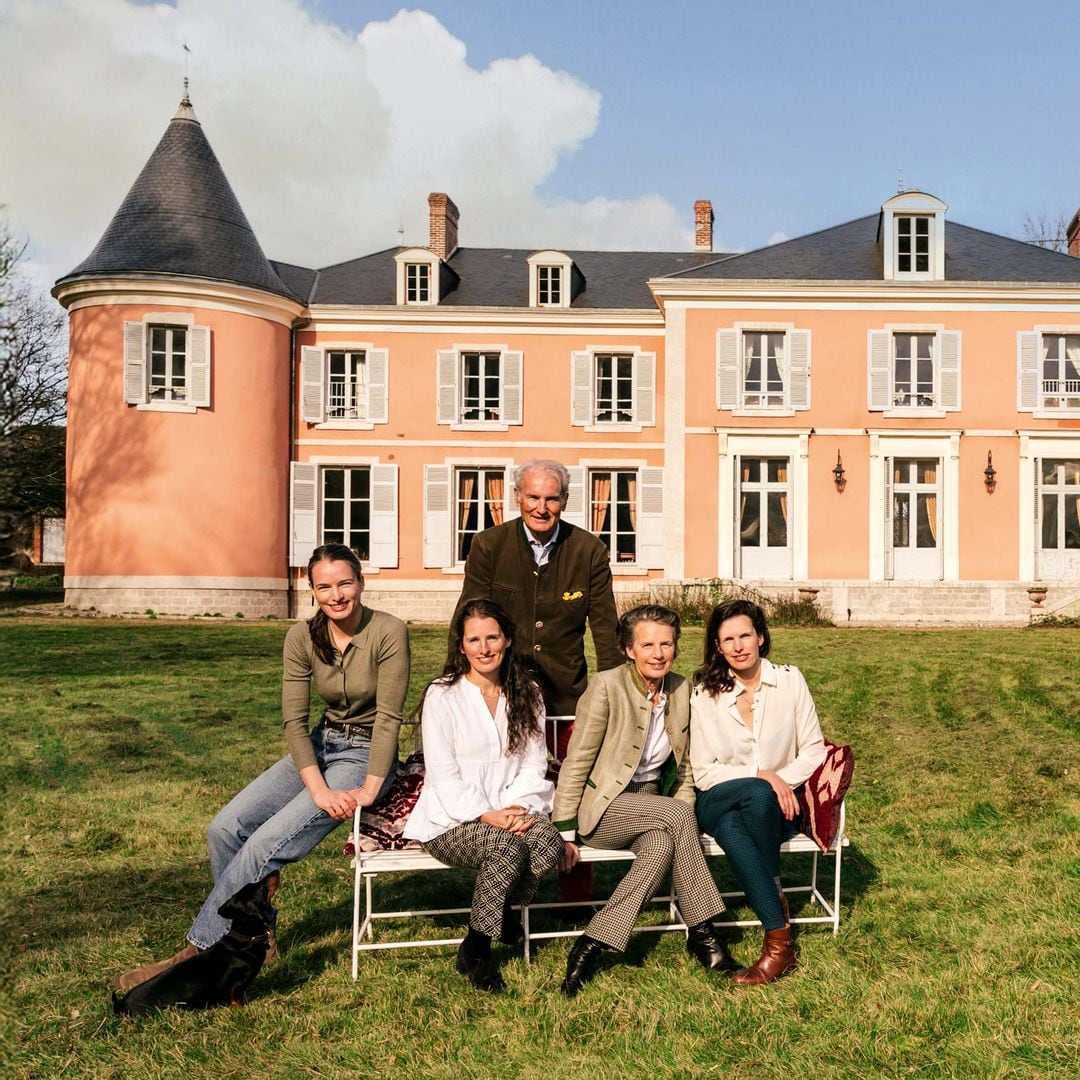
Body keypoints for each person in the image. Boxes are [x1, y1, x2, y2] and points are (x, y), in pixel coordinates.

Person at [113, 543, 410, 991]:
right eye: (324, 586)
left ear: (361, 583)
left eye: (345, 583)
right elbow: (293, 721)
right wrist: (318, 789)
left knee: (263, 847)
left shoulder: (389, 631)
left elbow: (388, 718)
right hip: (320, 745)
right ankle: (257, 935)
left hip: (368, 757)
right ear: (312, 591)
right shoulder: (301, 637)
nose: (336, 595)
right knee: (225, 828)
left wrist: (366, 792)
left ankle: (198, 951)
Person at [455, 459, 623, 906]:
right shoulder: (489, 545)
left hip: (569, 693)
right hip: (504, 691)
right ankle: (503, 885)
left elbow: (606, 630)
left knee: (576, 788)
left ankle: (576, 895)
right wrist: (459, 683)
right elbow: (469, 616)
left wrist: (615, 693)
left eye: (551, 498)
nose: (542, 507)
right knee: (505, 785)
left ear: (565, 501)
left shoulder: (588, 550)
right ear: (517, 497)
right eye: (533, 497)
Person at [551, 604, 739, 996]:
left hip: (654, 807)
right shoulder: (605, 687)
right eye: (648, 644)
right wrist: (565, 829)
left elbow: (686, 765)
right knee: (675, 815)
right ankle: (704, 934)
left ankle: (591, 943)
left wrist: (683, 810)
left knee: (664, 844)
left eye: (666, 644)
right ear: (628, 649)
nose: (658, 654)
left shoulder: (681, 688)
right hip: (605, 808)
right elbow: (577, 760)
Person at [404, 599, 566, 992]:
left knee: (548, 843)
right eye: (473, 639)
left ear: (507, 639)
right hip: (452, 820)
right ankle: (479, 951)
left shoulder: (526, 691)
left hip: (512, 809)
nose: (484, 647)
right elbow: (444, 775)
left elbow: (532, 763)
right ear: (461, 646)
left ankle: (495, 912)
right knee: (507, 850)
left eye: (492, 637)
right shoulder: (443, 696)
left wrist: (516, 808)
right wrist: (485, 814)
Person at [690, 599, 827, 985]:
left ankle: (777, 945)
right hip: (717, 797)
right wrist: (765, 775)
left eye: (745, 635)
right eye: (727, 639)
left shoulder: (789, 679)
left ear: (761, 636)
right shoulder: (705, 693)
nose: (738, 646)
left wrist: (780, 781)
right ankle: (776, 894)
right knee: (756, 792)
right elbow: (704, 771)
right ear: (717, 646)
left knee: (738, 826)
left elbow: (814, 749)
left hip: (774, 805)